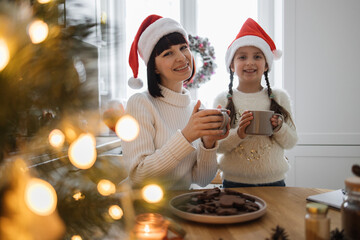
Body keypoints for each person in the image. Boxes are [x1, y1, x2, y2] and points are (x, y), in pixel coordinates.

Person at [122, 14, 229, 190]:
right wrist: (187, 136)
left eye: (183, 47)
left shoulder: (196, 108)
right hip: (146, 209)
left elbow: (202, 179)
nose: (181, 57)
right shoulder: (140, 103)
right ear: (154, 66)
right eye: (168, 53)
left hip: (181, 206)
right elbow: (139, 175)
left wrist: (208, 143)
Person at [213, 18, 298, 188]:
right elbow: (218, 147)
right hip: (233, 183)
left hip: (274, 183)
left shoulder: (279, 97)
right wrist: (239, 134)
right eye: (242, 57)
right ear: (231, 65)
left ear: (266, 64)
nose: (250, 62)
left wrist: (279, 128)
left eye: (257, 56)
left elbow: (291, 142)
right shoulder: (222, 100)